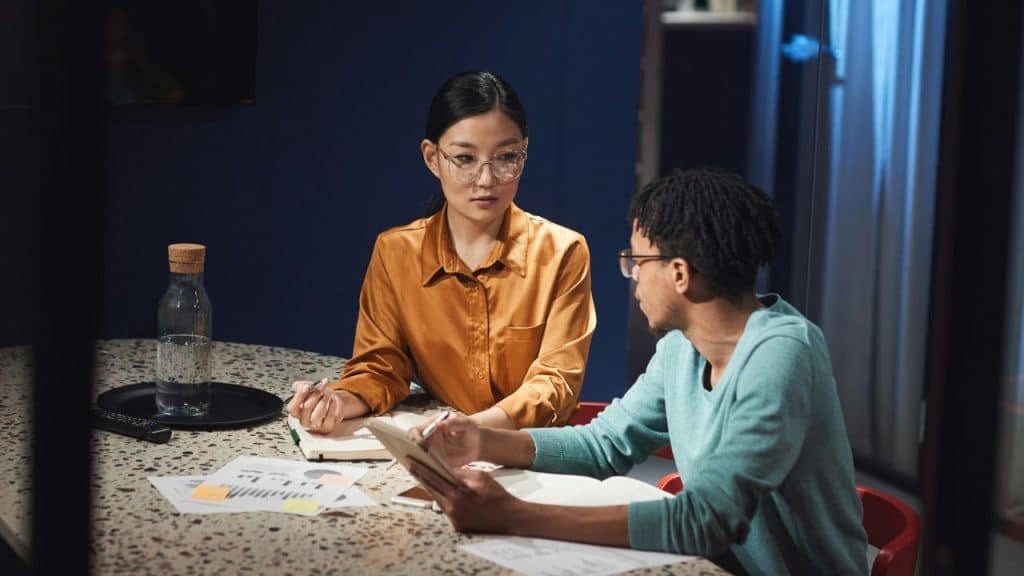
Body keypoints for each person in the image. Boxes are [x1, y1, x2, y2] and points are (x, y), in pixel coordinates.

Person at [408, 168, 870, 575]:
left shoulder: (782, 354)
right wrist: (479, 439)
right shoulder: (681, 348)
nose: (631, 278)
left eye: (636, 261)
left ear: (680, 274)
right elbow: (604, 444)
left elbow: (704, 521)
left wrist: (511, 515)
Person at [287, 70, 596, 434]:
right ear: (432, 157)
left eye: (506, 157)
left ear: (524, 153)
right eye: (465, 159)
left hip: (529, 451)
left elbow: (555, 385)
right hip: (443, 445)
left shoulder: (562, 252)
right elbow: (381, 368)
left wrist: (471, 432)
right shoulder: (396, 252)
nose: (486, 179)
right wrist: (337, 402)